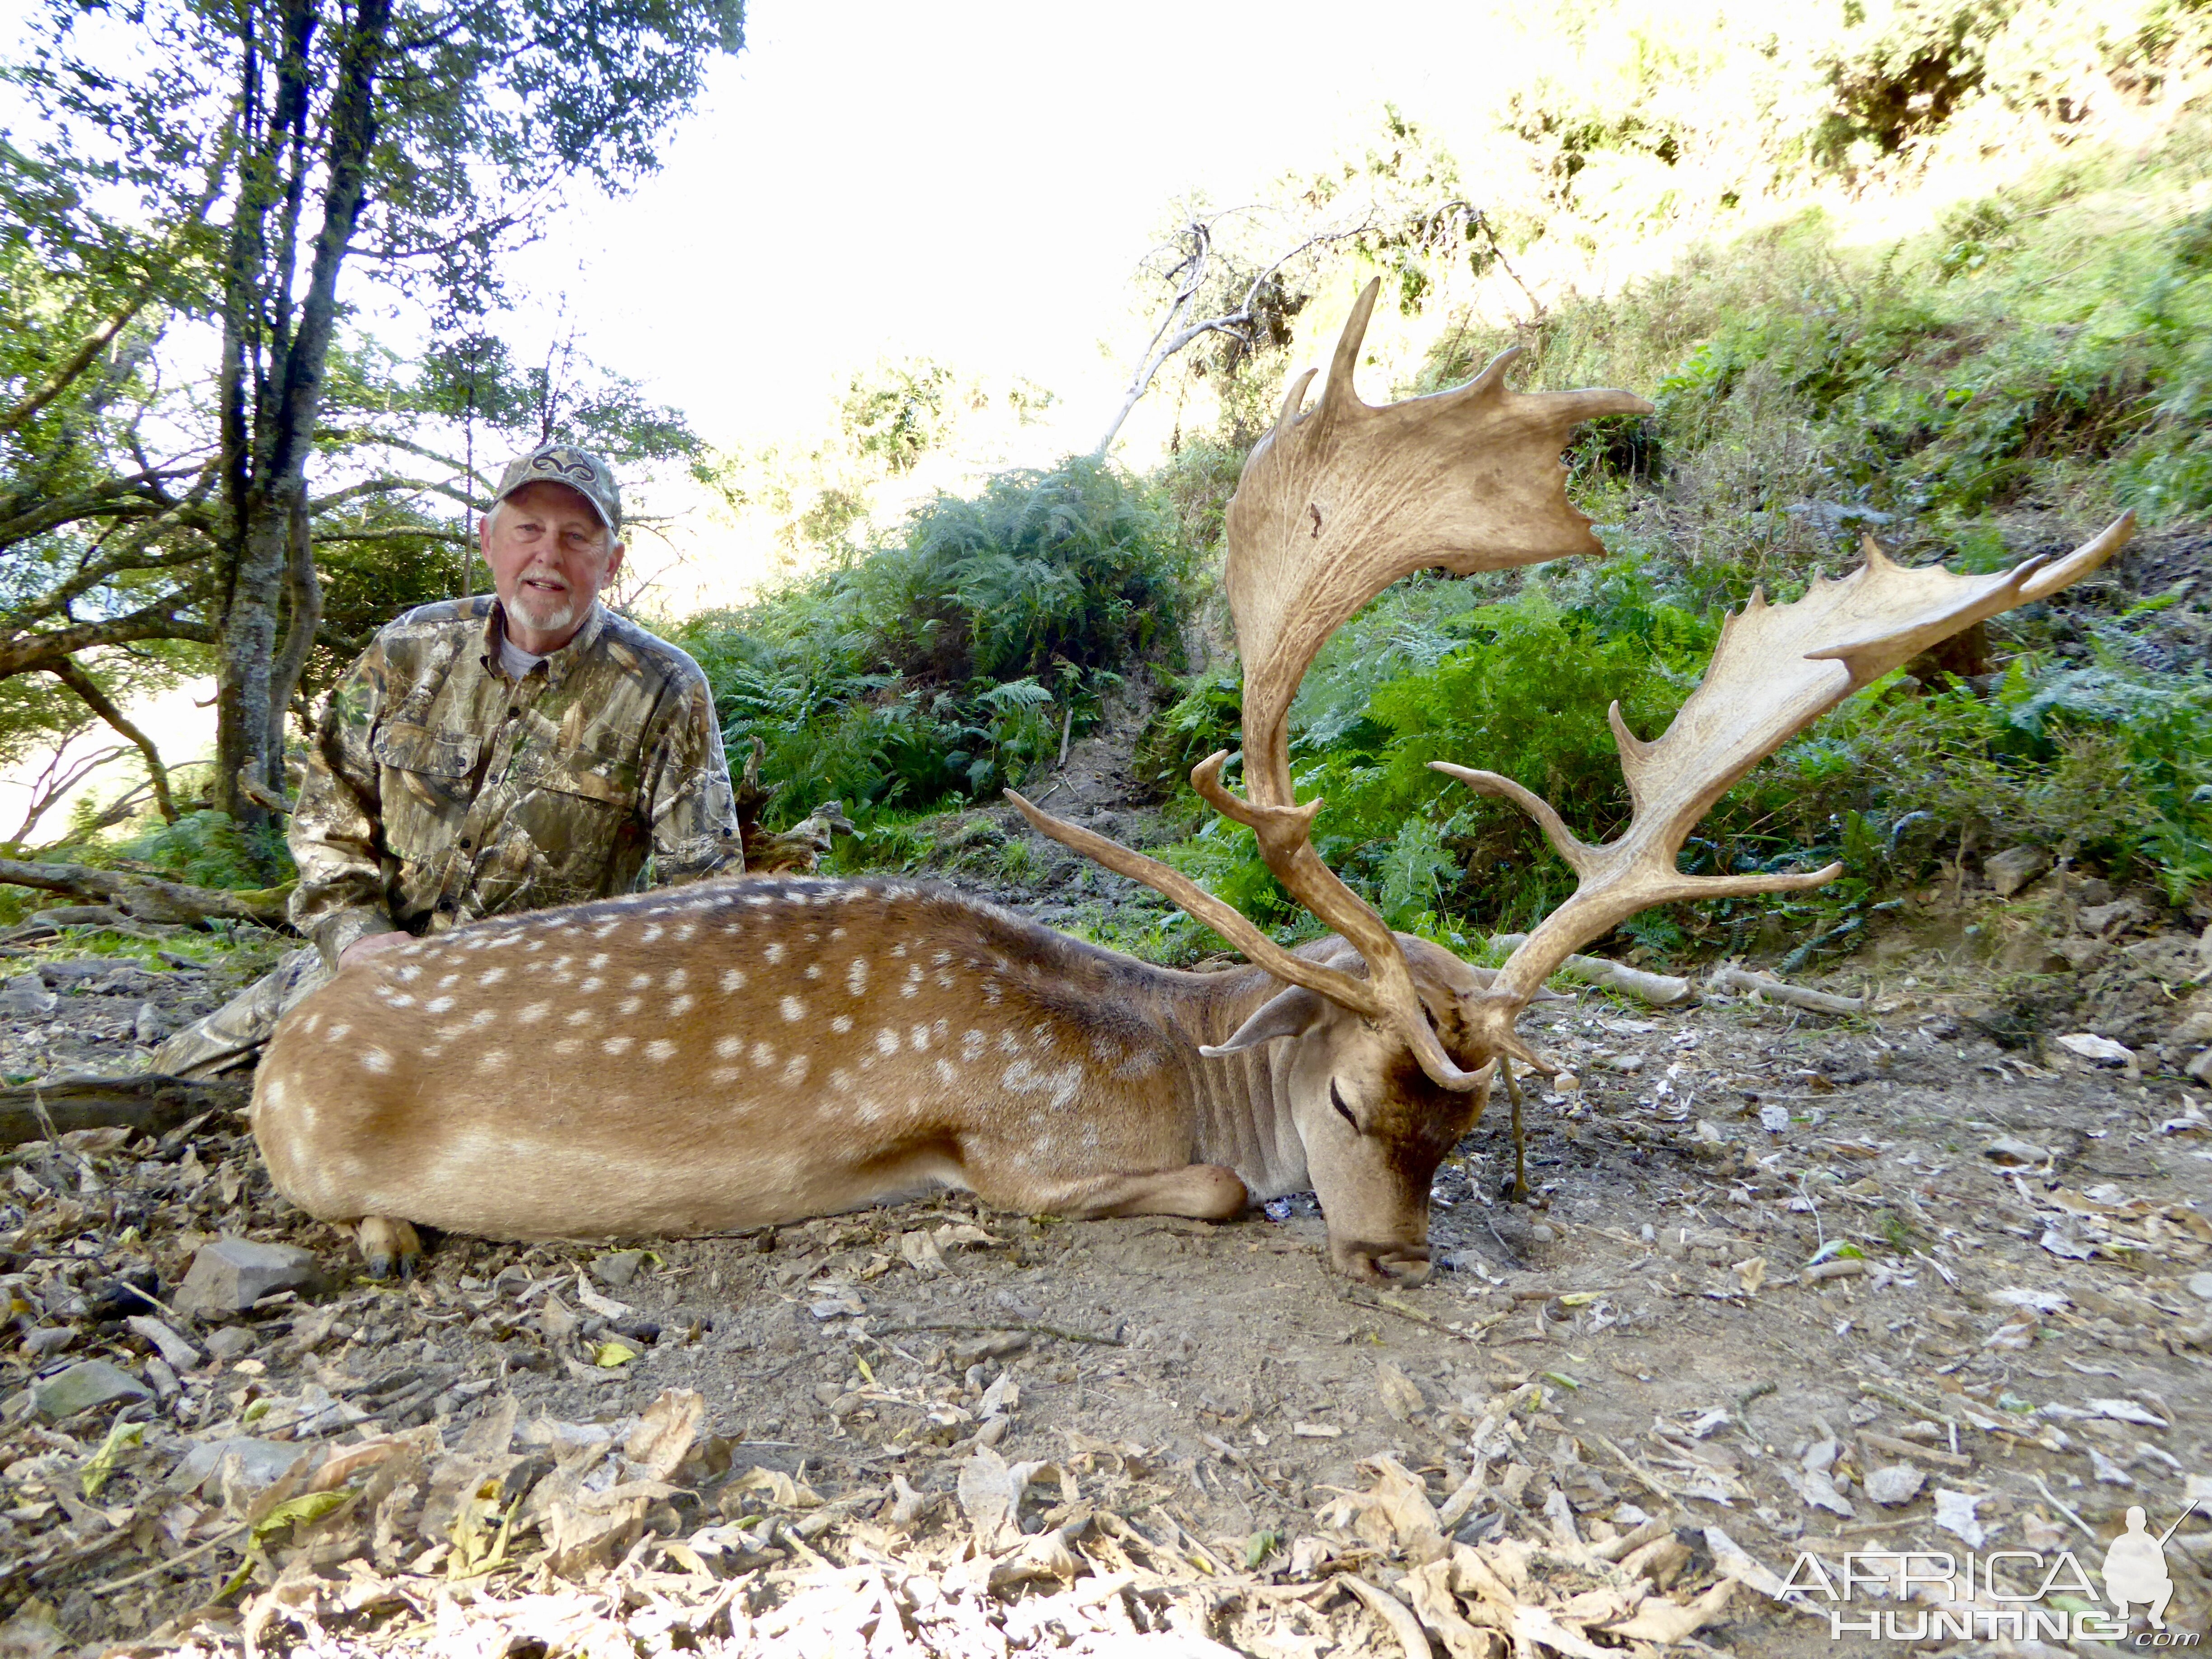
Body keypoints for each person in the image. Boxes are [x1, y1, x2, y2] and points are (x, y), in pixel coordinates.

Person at [155, 442, 742, 1077]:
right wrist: (358, 942)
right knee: (172, 1079)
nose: (548, 555)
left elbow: (706, 892)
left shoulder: (665, 688)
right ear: (490, 541)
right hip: (374, 970)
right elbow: (328, 823)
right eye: (528, 530)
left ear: (612, 563)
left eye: (577, 536)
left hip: (542, 1013)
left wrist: (625, 1012)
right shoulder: (407, 650)